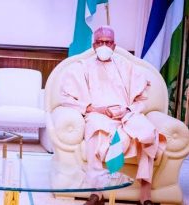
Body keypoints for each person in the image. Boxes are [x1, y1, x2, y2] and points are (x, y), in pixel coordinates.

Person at [59, 26, 166, 205]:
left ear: (114, 45)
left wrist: (129, 110)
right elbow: (67, 98)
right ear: (93, 45)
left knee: (148, 133)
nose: (103, 45)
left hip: (126, 115)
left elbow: (141, 98)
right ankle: (97, 192)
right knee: (94, 129)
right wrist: (96, 109)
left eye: (107, 42)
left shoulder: (127, 66)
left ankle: (145, 195)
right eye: (99, 42)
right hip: (98, 114)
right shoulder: (82, 68)